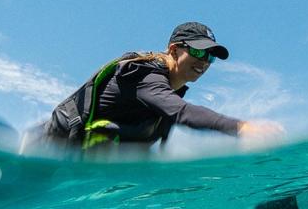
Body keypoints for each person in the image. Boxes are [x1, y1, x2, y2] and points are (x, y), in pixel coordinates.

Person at [40, 21, 283, 150]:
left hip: (80, 166)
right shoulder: (143, 76)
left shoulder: (167, 93)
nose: (204, 62)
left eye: (210, 57)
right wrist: (241, 127)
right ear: (174, 50)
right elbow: (182, 112)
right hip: (45, 149)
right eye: (198, 51)